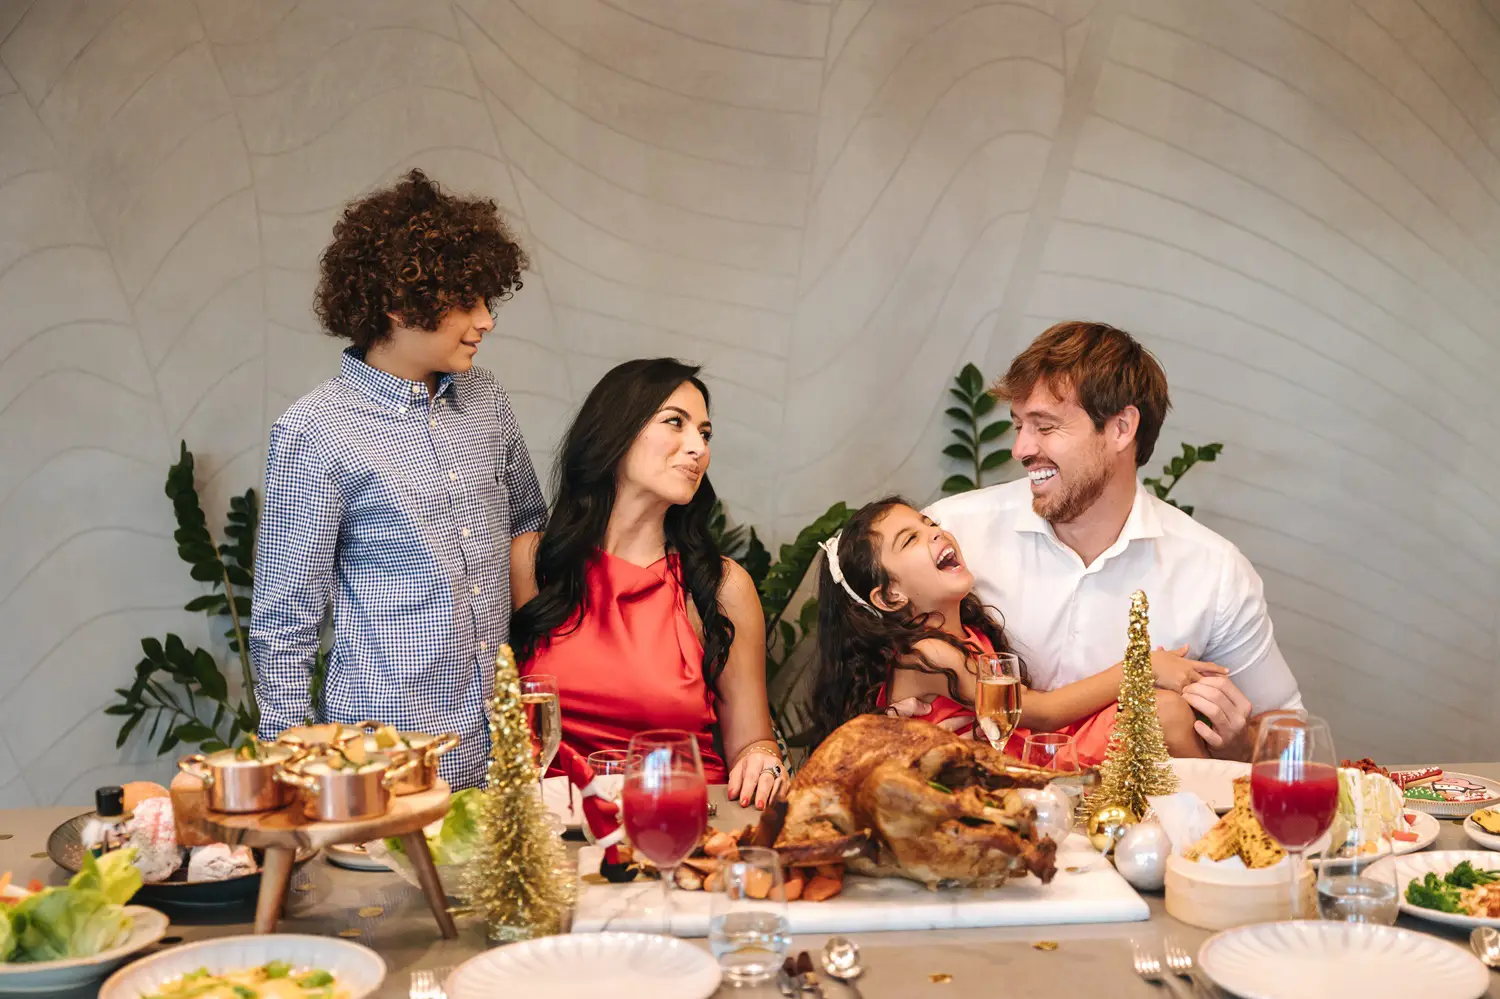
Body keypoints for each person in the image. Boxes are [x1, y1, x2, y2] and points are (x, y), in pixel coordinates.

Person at [250, 169, 545, 789]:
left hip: (502, 749)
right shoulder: (315, 432)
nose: (487, 320)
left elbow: (529, 529)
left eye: (489, 300)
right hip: (387, 757)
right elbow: (285, 622)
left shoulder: (486, 400)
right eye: (468, 302)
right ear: (398, 301)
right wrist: (295, 777)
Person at [925, 322, 1303, 760]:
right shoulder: (951, 535)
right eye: (1018, 426)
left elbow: (1290, 728)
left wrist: (1241, 742)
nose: (1021, 449)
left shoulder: (1214, 571)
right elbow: (870, 664)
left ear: (1121, 427)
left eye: (1044, 427)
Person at [510, 358, 785, 809]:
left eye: (705, 433)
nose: (698, 446)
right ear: (615, 431)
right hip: (554, 833)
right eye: (675, 423)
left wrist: (763, 763)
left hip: (676, 824)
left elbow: (754, 742)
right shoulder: (534, 562)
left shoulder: (720, 587)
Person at [806, 497, 1214, 761]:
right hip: (1020, 771)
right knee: (1166, 713)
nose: (935, 531)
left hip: (1025, 756)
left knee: (1167, 711)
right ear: (890, 595)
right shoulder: (927, 654)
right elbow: (1044, 713)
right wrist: (1140, 667)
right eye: (910, 539)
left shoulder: (969, 634)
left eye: (928, 522)